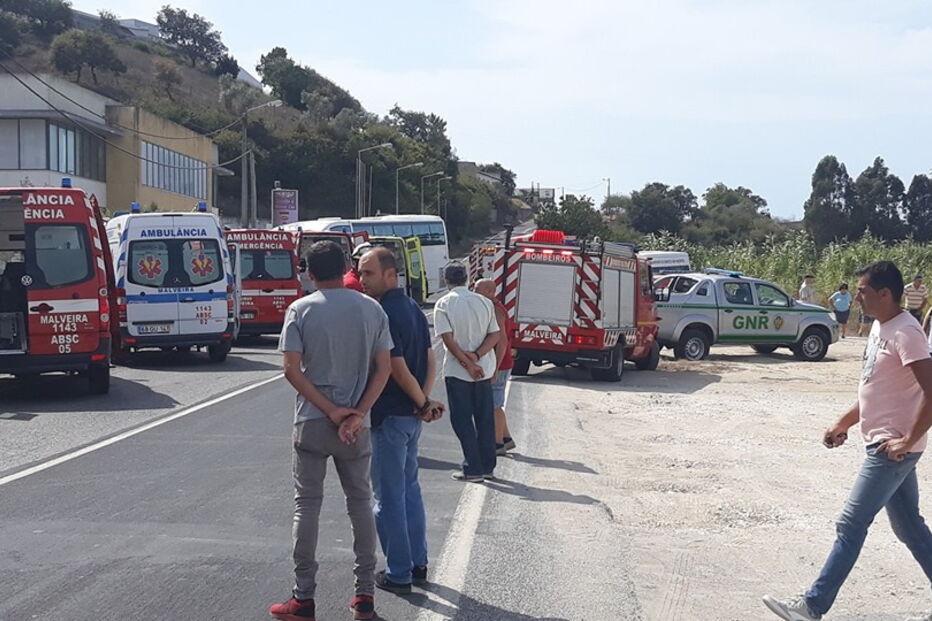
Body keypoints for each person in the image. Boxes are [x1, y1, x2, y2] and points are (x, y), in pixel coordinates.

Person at [763, 261, 932, 621]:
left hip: (890, 450)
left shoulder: (907, 332)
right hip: (887, 444)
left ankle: (811, 606)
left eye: (862, 291)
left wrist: (907, 442)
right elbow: (877, 389)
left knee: (851, 524)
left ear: (885, 294)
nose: (856, 296)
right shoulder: (879, 327)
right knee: (911, 530)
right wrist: (844, 422)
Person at [270, 240, 393, 621]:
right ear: (346, 270)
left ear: (308, 273)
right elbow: (384, 369)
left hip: (312, 422)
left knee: (307, 505)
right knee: (359, 503)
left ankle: (303, 598)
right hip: (357, 428)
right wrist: (356, 415)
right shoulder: (372, 310)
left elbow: (291, 369)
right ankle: (363, 598)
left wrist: (330, 411)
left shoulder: (300, 310)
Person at [358, 247, 444, 596]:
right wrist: (422, 403)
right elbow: (430, 358)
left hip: (392, 413)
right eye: (361, 273)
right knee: (410, 491)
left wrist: (420, 401)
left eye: (368, 274)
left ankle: (398, 572)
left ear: (390, 274)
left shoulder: (383, 313)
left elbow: (395, 365)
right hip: (409, 415)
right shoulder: (412, 308)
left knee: (388, 496)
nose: (362, 281)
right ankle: (417, 562)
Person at [434, 262, 500, 482]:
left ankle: (472, 467)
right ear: (467, 278)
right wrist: (477, 356)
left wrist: (466, 363)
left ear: (447, 280)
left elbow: (448, 340)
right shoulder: (484, 302)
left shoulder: (443, 304)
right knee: (484, 419)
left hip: (458, 371)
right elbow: (494, 335)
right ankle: (488, 465)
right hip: (484, 369)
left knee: (462, 420)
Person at [474, 278, 517, 456]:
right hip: (499, 362)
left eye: (478, 289)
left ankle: (497, 443)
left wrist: (496, 367)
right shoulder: (492, 308)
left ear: (490, 292)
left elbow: (502, 341)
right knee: (495, 401)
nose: (475, 292)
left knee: (494, 404)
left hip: (500, 363)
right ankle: (506, 438)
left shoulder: (497, 310)